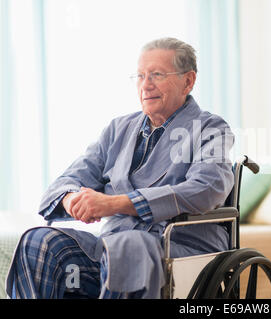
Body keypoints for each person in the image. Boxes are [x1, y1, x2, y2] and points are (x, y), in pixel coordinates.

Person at [6, 37, 235, 299]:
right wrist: (72, 200)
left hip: (179, 247)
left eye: (157, 75)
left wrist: (115, 204)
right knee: (39, 242)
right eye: (140, 76)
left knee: (129, 247)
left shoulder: (212, 128)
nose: (145, 85)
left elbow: (209, 187)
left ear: (188, 81)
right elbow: (66, 180)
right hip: (111, 250)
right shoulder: (118, 129)